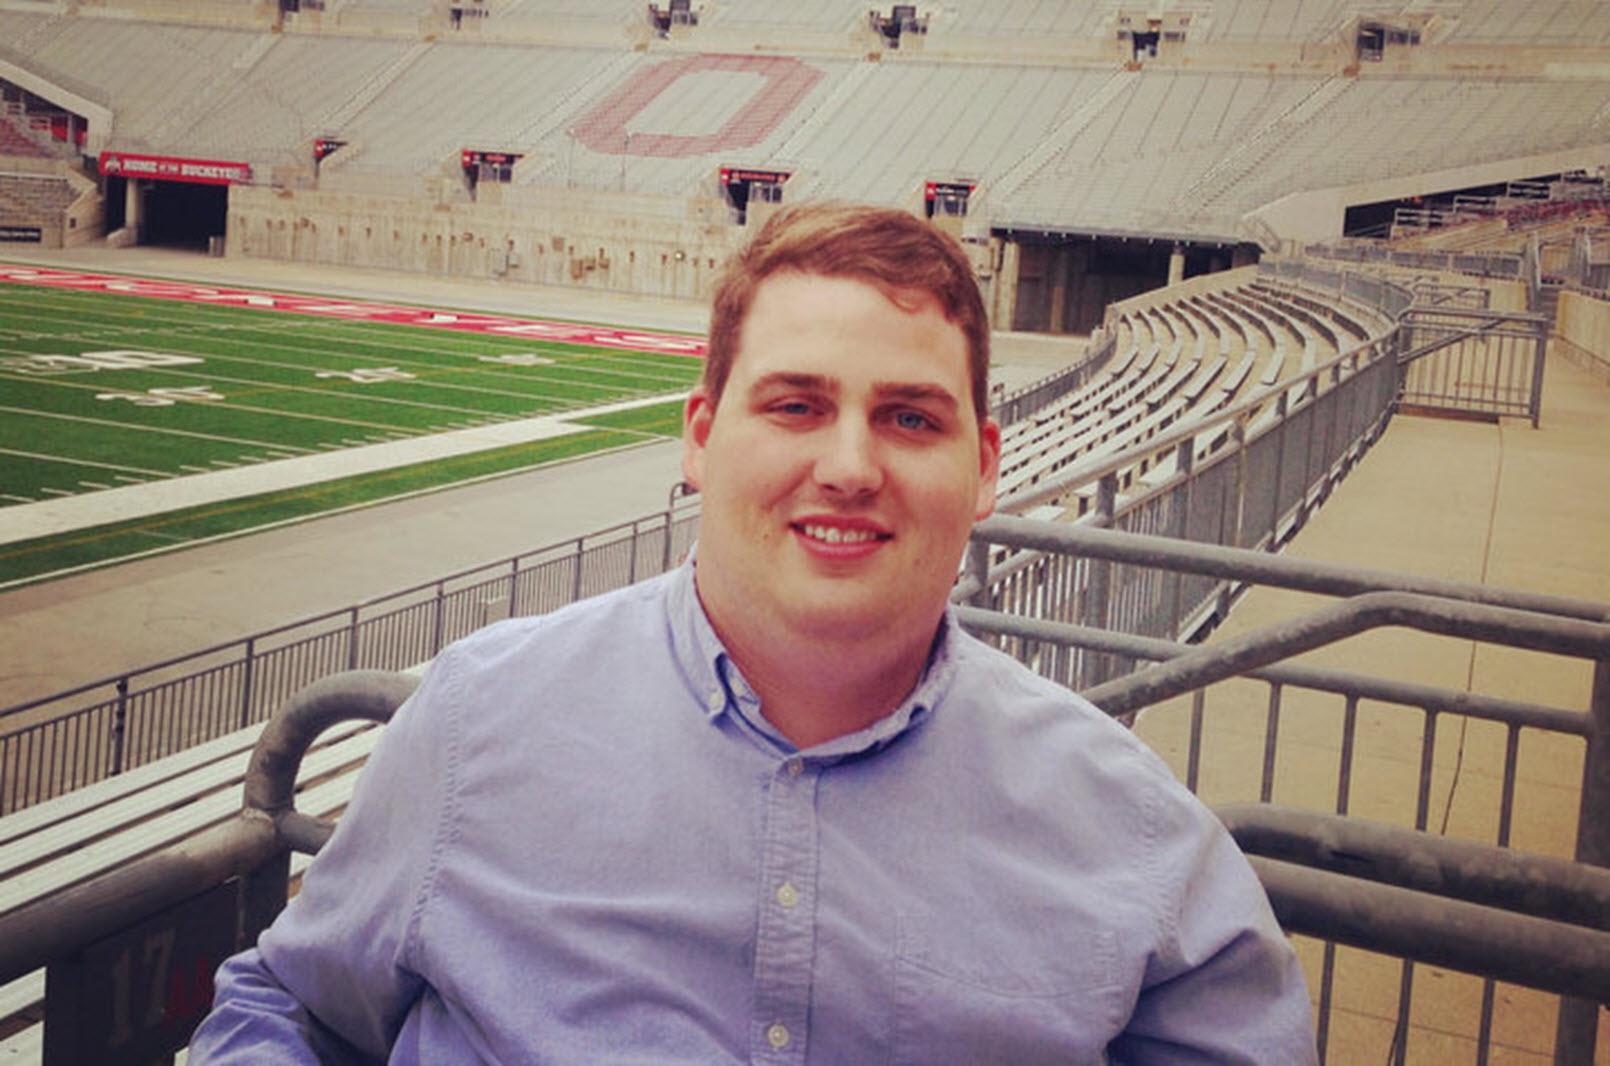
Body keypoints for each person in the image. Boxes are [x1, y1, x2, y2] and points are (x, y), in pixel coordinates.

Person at [191, 202, 1317, 1064]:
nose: (847, 465)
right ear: (698, 436)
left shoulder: (1129, 831)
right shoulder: (481, 717)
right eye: (793, 404)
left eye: (908, 418)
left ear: (983, 465)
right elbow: (288, 1004)